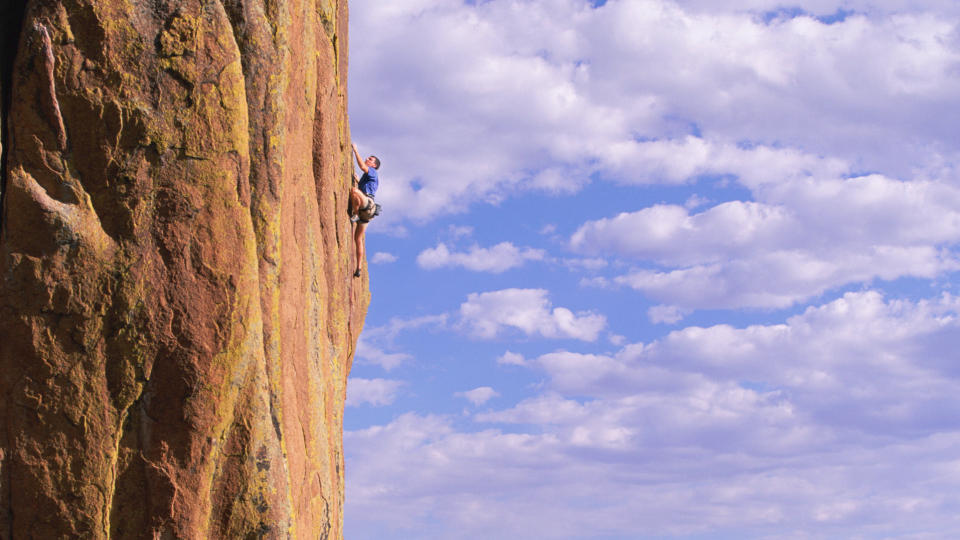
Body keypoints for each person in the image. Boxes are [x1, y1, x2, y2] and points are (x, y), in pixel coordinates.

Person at [350, 143, 381, 277]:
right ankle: (358, 268)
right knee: (357, 238)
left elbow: (362, 166)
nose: (367, 159)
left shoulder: (373, 171)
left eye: (370, 159)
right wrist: (358, 181)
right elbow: (365, 187)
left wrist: (355, 150)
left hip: (367, 204)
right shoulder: (366, 177)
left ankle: (355, 214)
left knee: (354, 192)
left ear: (374, 165)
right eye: (368, 158)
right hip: (368, 212)